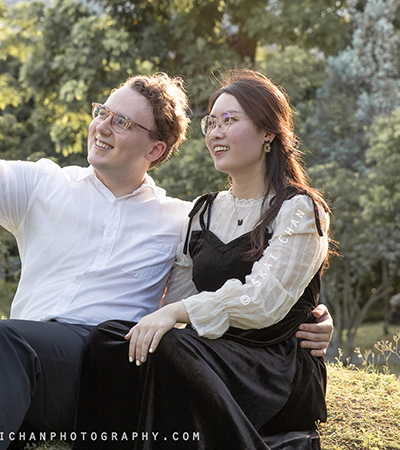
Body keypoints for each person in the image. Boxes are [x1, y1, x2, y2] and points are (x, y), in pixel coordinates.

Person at [0, 66, 334, 450]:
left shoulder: (176, 219)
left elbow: (226, 290)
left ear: (155, 149)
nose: (103, 126)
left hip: (93, 365)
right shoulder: (43, 184)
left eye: (121, 121)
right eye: (102, 112)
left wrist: (308, 319)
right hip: (12, 359)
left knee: (5, 336)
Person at [74, 69, 332, 450]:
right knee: (109, 339)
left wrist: (176, 314)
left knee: (173, 348)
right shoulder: (203, 212)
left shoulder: (298, 208)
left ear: (268, 133)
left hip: (274, 369)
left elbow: (263, 301)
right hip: (211, 355)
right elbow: (180, 291)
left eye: (230, 120)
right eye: (211, 122)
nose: (215, 132)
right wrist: (169, 315)